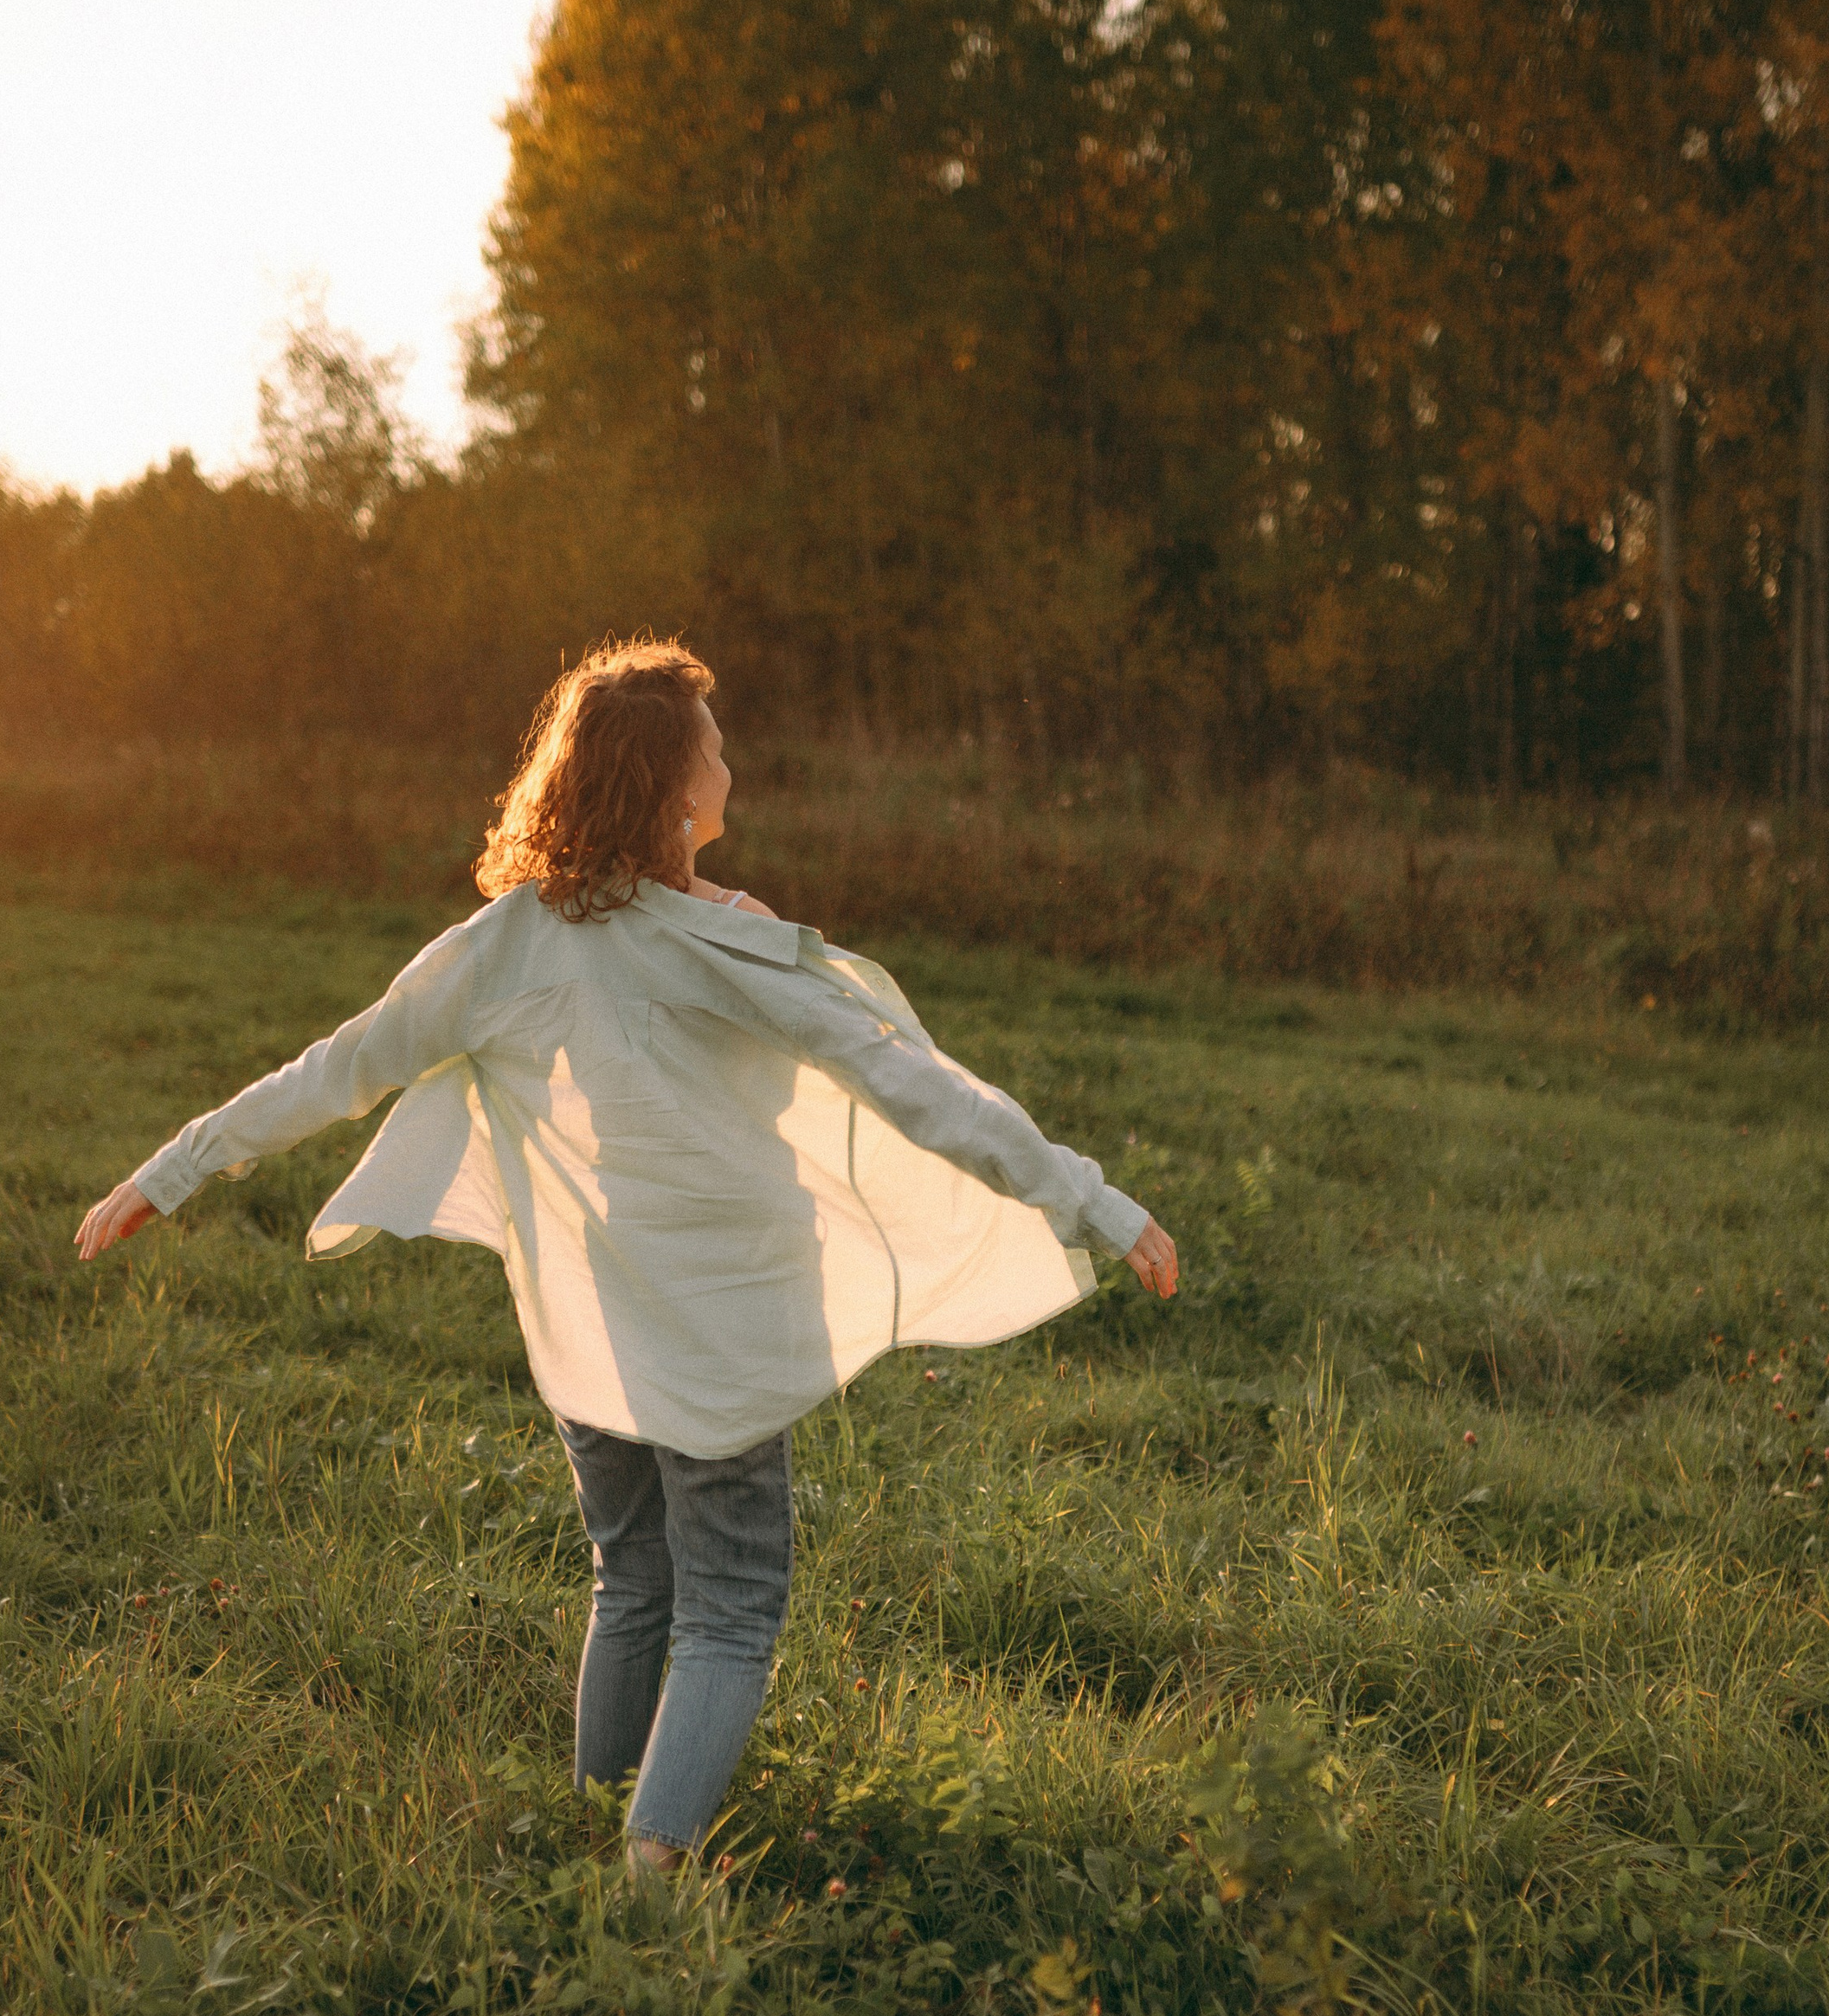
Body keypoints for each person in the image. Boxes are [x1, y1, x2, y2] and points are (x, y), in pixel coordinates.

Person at [77, 640, 1179, 1876]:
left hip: (592, 1323)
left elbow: (334, 1072)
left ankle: (590, 1835)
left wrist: (166, 1174)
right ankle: (652, 1876)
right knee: (730, 1603)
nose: (729, 761)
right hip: (718, 1333)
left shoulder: (506, 944)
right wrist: (1096, 1201)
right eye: (711, 746)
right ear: (669, 789)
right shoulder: (726, 945)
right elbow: (915, 1086)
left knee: (632, 1577)